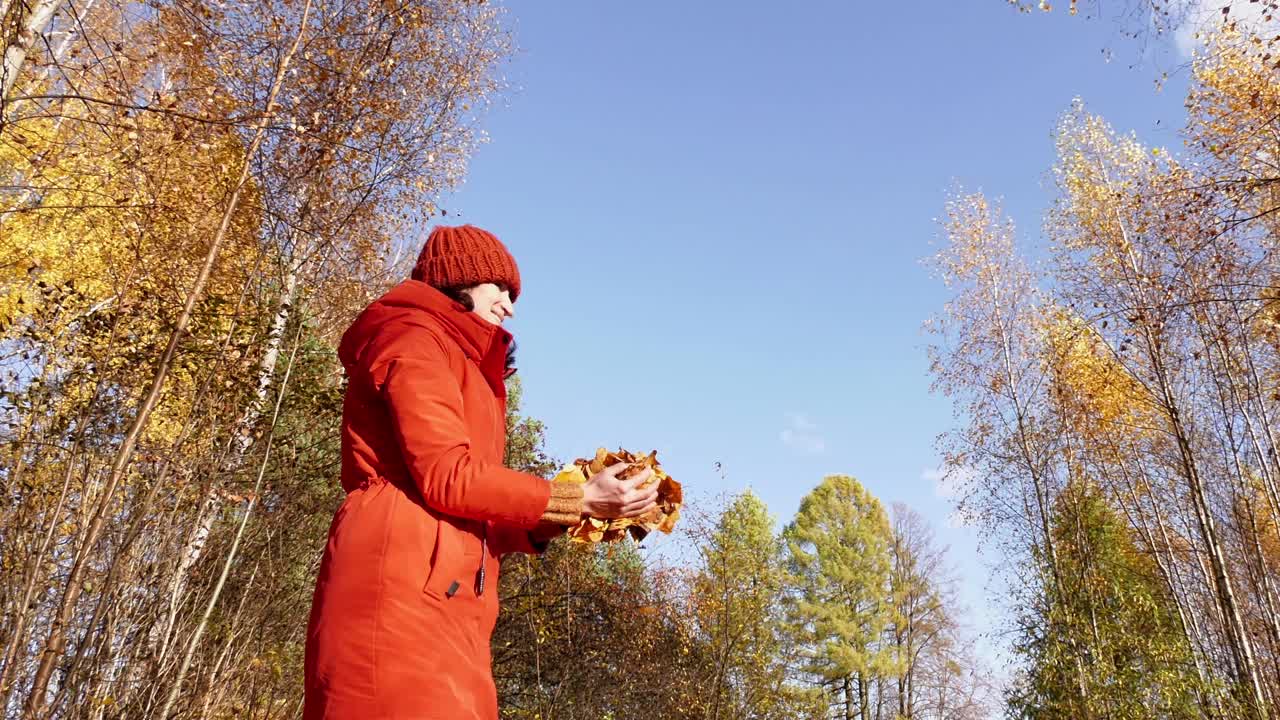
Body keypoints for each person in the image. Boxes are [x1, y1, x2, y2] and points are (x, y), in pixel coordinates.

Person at [302, 224, 659, 719]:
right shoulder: (413, 338)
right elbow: (448, 476)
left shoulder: (472, 367)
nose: (511, 306)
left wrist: (579, 509)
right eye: (502, 290)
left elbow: (477, 513)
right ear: (462, 281)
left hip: (455, 607)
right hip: (394, 592)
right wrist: (574, 499)